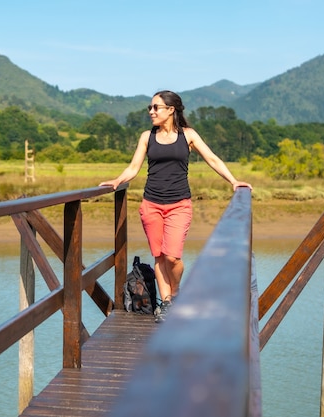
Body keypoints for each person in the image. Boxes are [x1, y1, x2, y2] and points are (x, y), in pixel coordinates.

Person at [100, 90, 252, 323]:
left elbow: (212, 158)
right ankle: (167, 303)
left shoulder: (188, 135)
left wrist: (233, 181)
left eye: (156, 107)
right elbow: (134, 168)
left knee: (172, 257)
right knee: (160, 257)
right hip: (151, 204)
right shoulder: (146, 137)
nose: (151, 112)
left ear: (171, 110)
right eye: (150, 108)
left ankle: (178, 293)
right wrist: (117, 180)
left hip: (179, 205)